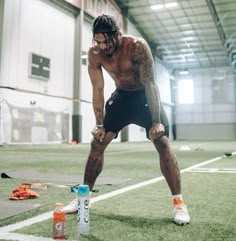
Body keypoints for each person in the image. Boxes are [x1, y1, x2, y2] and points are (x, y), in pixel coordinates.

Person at [64, 14, 190, 225]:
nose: (103, 46)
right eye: (99, 41)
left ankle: (179, 204)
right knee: (97, 143)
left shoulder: (136, 47)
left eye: (107, 41)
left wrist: (156, 121)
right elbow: (98, 89)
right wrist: (99, 125)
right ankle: (82, 199)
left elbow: (150, 84)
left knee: (162, 142)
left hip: (144, 97)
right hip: (121, 97)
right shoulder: (95, 54)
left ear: (118, 35)